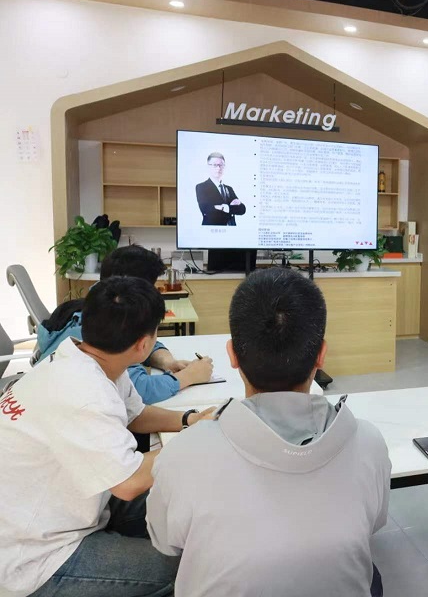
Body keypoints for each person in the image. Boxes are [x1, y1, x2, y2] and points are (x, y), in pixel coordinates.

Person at [147, 268, 391, 596]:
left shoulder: (183, 454)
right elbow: (375, 523)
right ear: (321, 355)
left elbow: (165, 541)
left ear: (232, 355)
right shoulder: (369, 443)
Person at [0, 277, 217, 597]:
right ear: (144, 344)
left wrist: (189, 420)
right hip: (34, 555)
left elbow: (135, 414)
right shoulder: (84, 393)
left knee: (184, 503)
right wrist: (198, 437)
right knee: (187, 568)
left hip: (72, 503)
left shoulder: (85, 357)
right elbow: (128, 483)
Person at [35, 245, 213, 403]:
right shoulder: (110, 324)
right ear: (131, 289)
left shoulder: (93, 306)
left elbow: (143, 342)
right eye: (151, 287)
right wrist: (189, 376)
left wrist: (168, 362)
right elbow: (140, 390)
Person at [196, 152, 246, 226]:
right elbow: (208, 211)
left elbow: (242, 209)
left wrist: (224, 208)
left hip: (232, 230)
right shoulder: (201, 187)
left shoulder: (229, 189)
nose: (218, 168)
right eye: (215, 165)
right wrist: (231, 208)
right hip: (212, 229)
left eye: (221, 165)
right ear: (208, 166)